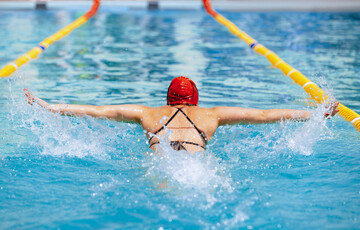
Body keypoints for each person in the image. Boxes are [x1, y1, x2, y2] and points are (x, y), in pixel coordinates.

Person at [24, 76, 339, 154]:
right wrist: (316, 113)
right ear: (196, 100)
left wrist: (49, 106)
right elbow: (266, 114)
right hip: (197, 165)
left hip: (161, 163)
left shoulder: (146, 113)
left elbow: (97, 111)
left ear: (168, 99)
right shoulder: (212, 115)